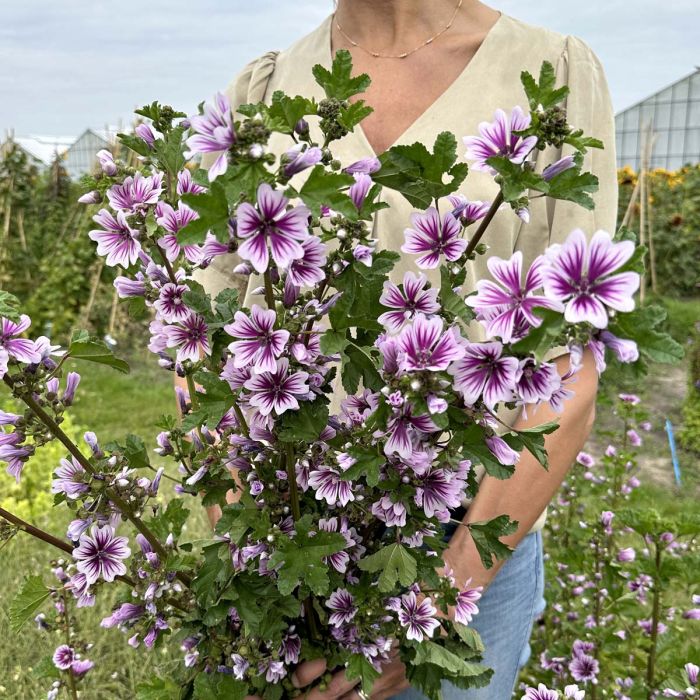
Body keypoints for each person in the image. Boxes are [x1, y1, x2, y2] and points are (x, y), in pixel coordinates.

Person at [191, 1, 617, 697]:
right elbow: (205, 355)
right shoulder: (264, 91)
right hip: (292, 531)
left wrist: (434, 604)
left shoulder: (554, 75)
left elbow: (568, 367)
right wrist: (260, 558)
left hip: (472, 539)